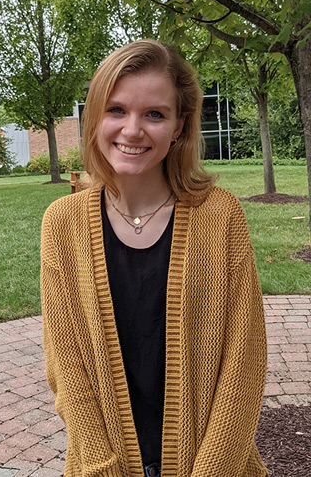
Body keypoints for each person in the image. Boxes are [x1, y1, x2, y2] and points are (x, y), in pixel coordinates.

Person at [40, 39, 268, 477]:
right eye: (116, 110)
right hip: (101, 467)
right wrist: (104, 469)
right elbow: (67, 368)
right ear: (95, 119)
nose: (132, 130)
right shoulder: (62, 224)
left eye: (155, 114)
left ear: (180, 125)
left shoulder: (220, 216)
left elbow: (245, 362)